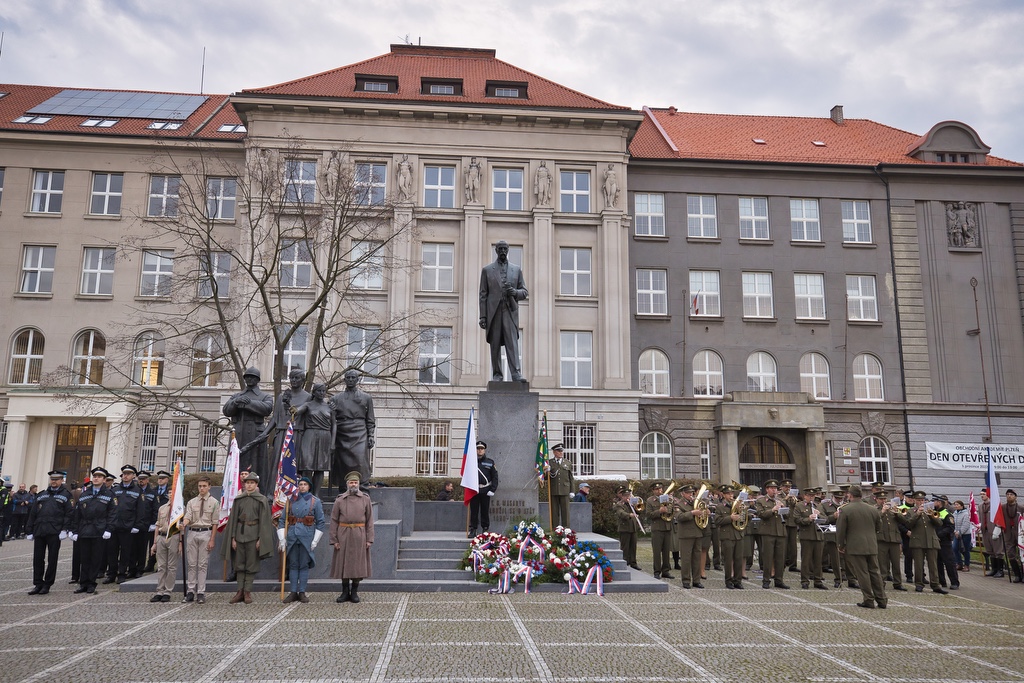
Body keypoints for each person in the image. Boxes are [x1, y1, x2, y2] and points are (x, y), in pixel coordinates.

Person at [245, 368, 310, 492]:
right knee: (277, 464)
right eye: (292, 377)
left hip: (297, 434)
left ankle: (295, 491)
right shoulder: (282, 396)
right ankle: (272, 492)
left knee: (294, 464)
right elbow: (275, 417)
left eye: (297, 378)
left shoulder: (308, 397)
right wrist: (265, 432)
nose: (294, 380)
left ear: (303, 380)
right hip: (281, 433)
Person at [221, 472, 275, 604]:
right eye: (247, 483)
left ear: (256, 485)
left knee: (251, 564)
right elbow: (233, 520)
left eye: (252, 483)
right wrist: (233, 537)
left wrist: (261, 539)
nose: (249, 485)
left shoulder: (261, 500)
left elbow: (264, 522)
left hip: (253, 535)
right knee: (239, 564)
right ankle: (239, 591)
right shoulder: (239, 499)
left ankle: (247, 592)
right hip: (240, 534)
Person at [478, 240, 528, 382]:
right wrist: (483, 316)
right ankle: (497, 375)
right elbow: (483, 294)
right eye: (500, 249)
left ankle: (516, 374)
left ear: (508, 250)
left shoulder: (516, 270)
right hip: (493, 312)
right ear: (496, 250)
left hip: (509, 311)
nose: (502, 251)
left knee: (512, 343)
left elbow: (524, 292)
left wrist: (514, 292)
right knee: (495, 346)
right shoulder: (487, 270)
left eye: (505, 249)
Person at [837, 485, 887, 609]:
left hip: (856, 546)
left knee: (862, 573)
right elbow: (879, 528)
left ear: (850, 495)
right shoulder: (873, 509)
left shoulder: (846, 509)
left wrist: (840, 545)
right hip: (871, 545)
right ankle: (882, 600)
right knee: (875, 572)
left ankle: (868, 599)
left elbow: (841, 530)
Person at [279, 476, 326, 603]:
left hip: (307, 536)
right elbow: (283, 520)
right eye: (300, 484)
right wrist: (281, 539)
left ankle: (302, 592)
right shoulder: (290, 501)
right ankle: (293, 592)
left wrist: (315, 540)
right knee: (293, 565)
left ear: (309, 486)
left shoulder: (315, 501)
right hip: (292, 535)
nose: (302, 486)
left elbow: (321, 522)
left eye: (305, 484)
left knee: (304, 565)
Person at [26, 470, 73, 595]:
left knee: (52, 559)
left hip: (55, 531)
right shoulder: (42, 495)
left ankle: (47, 584)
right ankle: (37, 583)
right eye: (52, 479)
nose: (54, 481)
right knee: (37, 559)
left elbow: (69, 514)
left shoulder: (66, 495)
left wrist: (64, 529)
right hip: (40, 530)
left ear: (61, 480)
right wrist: (29, 530)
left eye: (57, 479)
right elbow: (33, 514)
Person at [223, 367, 275, 479]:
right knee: (236, 463)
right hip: (238, 433)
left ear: (258, 379)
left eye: (253, 377)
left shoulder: (265, 396)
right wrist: (236, 402)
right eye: (247, 377)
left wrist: (248, 403)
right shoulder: (237, 396)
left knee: (256, 464)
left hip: (255, 434)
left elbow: (267, 408)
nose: (250, 379)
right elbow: (226, 410)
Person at [331, 471, 374, 603]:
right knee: (343, 564)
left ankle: (354, 592)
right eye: (351, 482)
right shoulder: (340, 500)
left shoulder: (365, 499)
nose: (353, 484)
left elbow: (370, 520)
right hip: (343, 533)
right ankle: (344, 592)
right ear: (347, 484)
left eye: (355, 482)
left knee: (357, 564)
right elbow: (333, 520)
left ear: (359, 484)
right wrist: (334, 539)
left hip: (359, 534)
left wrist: (369, 539)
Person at [72, 467, 116, 594]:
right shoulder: (85, 494)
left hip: (99, 530)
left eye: (99, 476)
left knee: (95, 559)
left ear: (103, 479)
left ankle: (91, 583)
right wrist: (74, 530)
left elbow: (112, 514)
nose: (96, 478)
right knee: (84, 558)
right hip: (85, 530)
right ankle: (83, 583)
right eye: (94, 476)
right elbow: (77, 514)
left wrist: (109, 529)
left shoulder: (109, 495)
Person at [331, 370, 376, 490]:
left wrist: (371, 435)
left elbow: (370, 419)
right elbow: (330, 418)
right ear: (344, 380)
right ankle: (343, 488)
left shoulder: (366, 397)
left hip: (360, 432)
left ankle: (363, 488)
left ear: (357, 380)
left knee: (361, 461)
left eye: (353, 377)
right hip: (342, 432)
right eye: (348, 377)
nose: (350, 380)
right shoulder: (336, 398)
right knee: (343, 463)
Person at [899, 491, 948, 594]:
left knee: (933, 564)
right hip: (918, 541)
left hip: (931, 540)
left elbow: (939, 523)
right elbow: (908, 524)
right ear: (914, 501)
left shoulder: (931, 511)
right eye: (918, 500)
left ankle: (935, 585)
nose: (921, 502)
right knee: (919, 564)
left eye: (922, 500)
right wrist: (917, 514)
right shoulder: (910, 511)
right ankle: (919, 584)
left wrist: (931, 515)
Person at [293, 383, 336, 496]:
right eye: (319, 391)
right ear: (314, 392)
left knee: (320, 468)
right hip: (309, 435)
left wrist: (332, 443)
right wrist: (289, 406)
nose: (321, 393)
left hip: (325, 436)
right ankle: (306, 493)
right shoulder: (308, 405)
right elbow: (296, 411)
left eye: (323, 391)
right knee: (307, 465)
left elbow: (334, 425)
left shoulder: (329, 407)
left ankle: (316, 494)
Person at [181, 476, 219, 604]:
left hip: (206, 533)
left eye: (204, 486)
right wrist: (184, 524)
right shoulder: (192, 502)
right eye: (200, 486)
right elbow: (188, 516)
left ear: (209, 487)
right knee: (191, 564)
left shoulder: (214, 502)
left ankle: (201, 591)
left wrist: (212, 539)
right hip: (192, 532)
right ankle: (191, 590)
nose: (202, 488)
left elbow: (215, 523)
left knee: (202, 565)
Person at [109, 465, 145, 583]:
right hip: (114, 525)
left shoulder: (138, 491)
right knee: (112, 552)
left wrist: (136, 525)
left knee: (125, 552)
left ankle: (122, 573)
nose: (125, 476)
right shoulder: (114, 490)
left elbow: (140, 510)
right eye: (124, 473)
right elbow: (110, 508)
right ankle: (111, 574)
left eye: (128, 474)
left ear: (133, 476)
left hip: (128, 526)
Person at [755, 479, 790, 589]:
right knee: (768, 557)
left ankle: (779, 580)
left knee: (780, 557)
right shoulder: (761, 501)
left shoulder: (781, 500)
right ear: (767, 489)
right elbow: (761, 514)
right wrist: (773, 509)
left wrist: (784, 508)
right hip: (768, 532)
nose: (774, 490)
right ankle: (766, 580)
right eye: (772, 488)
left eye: (775, 488)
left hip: (780, 531)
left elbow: (788, 516)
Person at [793, 487, 827, 590]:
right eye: (809, 496)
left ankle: (818, 580)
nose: (811, 498)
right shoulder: (799, 506)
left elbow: (826, 519)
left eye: (813, 496)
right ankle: (805, 581)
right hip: (807, 536)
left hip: (818, 535)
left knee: (818, 560)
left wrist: (819, 516)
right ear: (805, 496)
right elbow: (796, 519)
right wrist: (809, 518)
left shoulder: (818, 505)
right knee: (806, 560)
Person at [673, 484, 707, 589]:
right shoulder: (678, 504)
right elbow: (679, 517)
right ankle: (686, 580)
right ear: (682, 493)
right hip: (686, 535)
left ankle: (696, 580)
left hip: (697, 533)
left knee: (697, 558)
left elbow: (703, 513)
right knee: (686, 559)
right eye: (688, 493)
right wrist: (692, 513)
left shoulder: (695, 503)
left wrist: (705, 512)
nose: (690, 495)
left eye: (691, 493)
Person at [149, 498, 182, 603]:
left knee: (171, 566)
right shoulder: (162, 508)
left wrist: (181, 542)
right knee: (161, 566)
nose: (171, 495)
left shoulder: (181, 508)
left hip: (174, 536)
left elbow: (182, 527)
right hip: (161, 536)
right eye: (169, 493)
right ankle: (160, 591)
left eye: (172, 492)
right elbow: (157, 524)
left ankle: (167, 591)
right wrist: (155, 542)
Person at [875, 491, 907, 592]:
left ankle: (898, 583)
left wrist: (897, 512)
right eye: (881, 499)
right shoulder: (874, 509)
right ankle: (881, 583)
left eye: (885, 499)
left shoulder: (893, 509)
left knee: (896, 563)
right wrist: (883, 512)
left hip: (894, 539)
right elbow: (874, 520)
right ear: (876, 499)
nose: (883, 501)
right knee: (882, 563)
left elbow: (904, 521)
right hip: (881, 539)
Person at [467, 441, 498, 538]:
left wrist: (492, 489)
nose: (480, 450)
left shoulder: (490, 462)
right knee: (474, 510)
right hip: (474, 490)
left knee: (485, 510)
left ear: (484, 450)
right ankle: (473, 529)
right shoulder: (471, 462)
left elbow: (495, 477)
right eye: (478, 448)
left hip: (485, 490)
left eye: (481, 449)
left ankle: (485, 528)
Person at [717, 485, 745, 589]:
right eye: (728, 494)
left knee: (738, 559)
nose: (731, 495)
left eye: (732, 494)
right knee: (728, 560)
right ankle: (728, 581)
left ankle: (738, 580)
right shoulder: (720, 507)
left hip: (738, 534)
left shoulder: (737, 505)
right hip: (727, 535)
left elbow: (745, 518)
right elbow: (717, 521)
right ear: (723, 495)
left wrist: (745, 513)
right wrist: (730, 518)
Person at [145, 470, 172, 573]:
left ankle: (161, 565)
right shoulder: (153, 491)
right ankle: (151, 564)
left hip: (165, 521)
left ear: (167, 480)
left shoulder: (170, 491)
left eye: (162, 478)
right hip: (154, 520)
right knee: (153, 543)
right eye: (159, 478)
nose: (160, 480)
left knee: (164, 545)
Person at [645, 481, 674, 579]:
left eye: (661, 489)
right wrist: (659, 511)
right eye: (657, 489)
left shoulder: (667, 499)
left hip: (667, 527)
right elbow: (649, 515)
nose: (660, 491)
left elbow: (671, 511)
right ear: (653, 491)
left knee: (666, 551)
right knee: (657, 552)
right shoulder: (650, 500)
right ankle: (657, 571)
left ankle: (666, 570)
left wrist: (669, 507)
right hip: (657, 528)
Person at [932, 495, 959, 589]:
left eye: (935, 501)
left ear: (939, 502)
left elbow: (950, 527)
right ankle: (941, 581)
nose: (933, 503)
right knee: (937, 563)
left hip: (944, 542)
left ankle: (954, 582)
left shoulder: (947, 513)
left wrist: (939, 535)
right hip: (935, 542)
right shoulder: (933, 512)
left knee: (949, 563)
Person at [545, 444, 574, 529]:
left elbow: (571, 478)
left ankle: (566, 529)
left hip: (565, 489)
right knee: (554, 511)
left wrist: (572, 490)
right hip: (554, 490)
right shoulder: (550, 463)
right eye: (559, 451)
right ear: (554, 452)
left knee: (565, 511)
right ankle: (555, 529)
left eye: (562, 451)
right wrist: (547, 471)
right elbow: (546, 478)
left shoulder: (567, 463)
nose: (561, 453)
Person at [134, 470, 157, 576]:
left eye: (143, 479)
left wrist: (153, 523)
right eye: (139, 479)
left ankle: (140, 569)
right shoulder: (135, 491)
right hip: (134, 525)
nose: (141, 481)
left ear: (147, 480)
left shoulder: (152, 493)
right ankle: (132, 568)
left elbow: (154, 509)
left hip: (147, 525)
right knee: (133, 548)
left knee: (143, 548)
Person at [612, 486, 641, 570]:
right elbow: (621, 513)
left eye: (629, 496)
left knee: (633, 546)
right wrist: (629, 515)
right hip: (624, 528)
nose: (629, 497)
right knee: (625, 547)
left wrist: (636, 506)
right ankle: (624, 562)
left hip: (633, 528)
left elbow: (639, 511)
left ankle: (633, 563)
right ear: (623, 497)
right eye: (627, 496)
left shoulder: (631, 504)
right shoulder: (619, 505)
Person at [996, 489, 1022, 582]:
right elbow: (998, 519)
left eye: (1011, 494)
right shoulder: (1002, 507)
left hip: (1019, 534)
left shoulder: (1021, 507)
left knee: (1022, 555)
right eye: (1007, 494)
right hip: (1008, 534)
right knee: (1011, 554)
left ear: (1015, 496)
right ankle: (1017, 574)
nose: (1009, 496)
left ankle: (1023, 574)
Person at [951, 499, 972, 571]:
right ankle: (959, 563)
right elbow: (952, 523)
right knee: (954, 548)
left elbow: (966, 525)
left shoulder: (966, 514)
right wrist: (954, 531)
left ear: (961, 506)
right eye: (955, 504)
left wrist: (960, 532)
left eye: (957, 504)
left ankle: (967, 565)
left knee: (965, 550)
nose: (956, 506)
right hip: (956, 534)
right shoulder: (954, 513)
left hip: (965, 534)